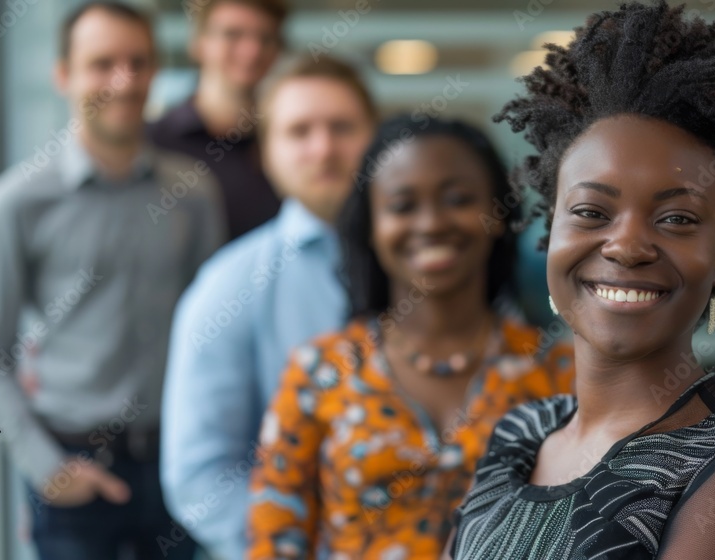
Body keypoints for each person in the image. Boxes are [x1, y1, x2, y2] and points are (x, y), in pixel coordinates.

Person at [446, 3, 715, 559]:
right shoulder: (521, 432)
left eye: (676, 220)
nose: (625, 246)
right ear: (552, 230)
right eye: (592, 212)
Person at [246, 115, 576, 559]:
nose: (432, 223)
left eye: (458, 199)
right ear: (372, 227)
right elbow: (274, 541)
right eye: (403, 206)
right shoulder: (318, 373)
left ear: (498, 214)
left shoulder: (557, 374)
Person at [0, 3, 225, 558]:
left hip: (173, 464)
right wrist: (46, 468)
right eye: (102, 63)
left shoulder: (194, 193)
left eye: (138, 62)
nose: (124, 80)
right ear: (63, 75)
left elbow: (210, 336)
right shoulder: (16, 203)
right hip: (72, 466)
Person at [161, 56, 377, 560]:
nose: (323, 148)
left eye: (342, 127)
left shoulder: (438, 268)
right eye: (299, 131)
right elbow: (200, 476)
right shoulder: (227, 286)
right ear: (267, 153)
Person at [149, 0, 286, 240]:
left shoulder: (292, 143)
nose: (252, 51)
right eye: (232, 34)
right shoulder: (154, 143)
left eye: (265, 38)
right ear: (198, 44)